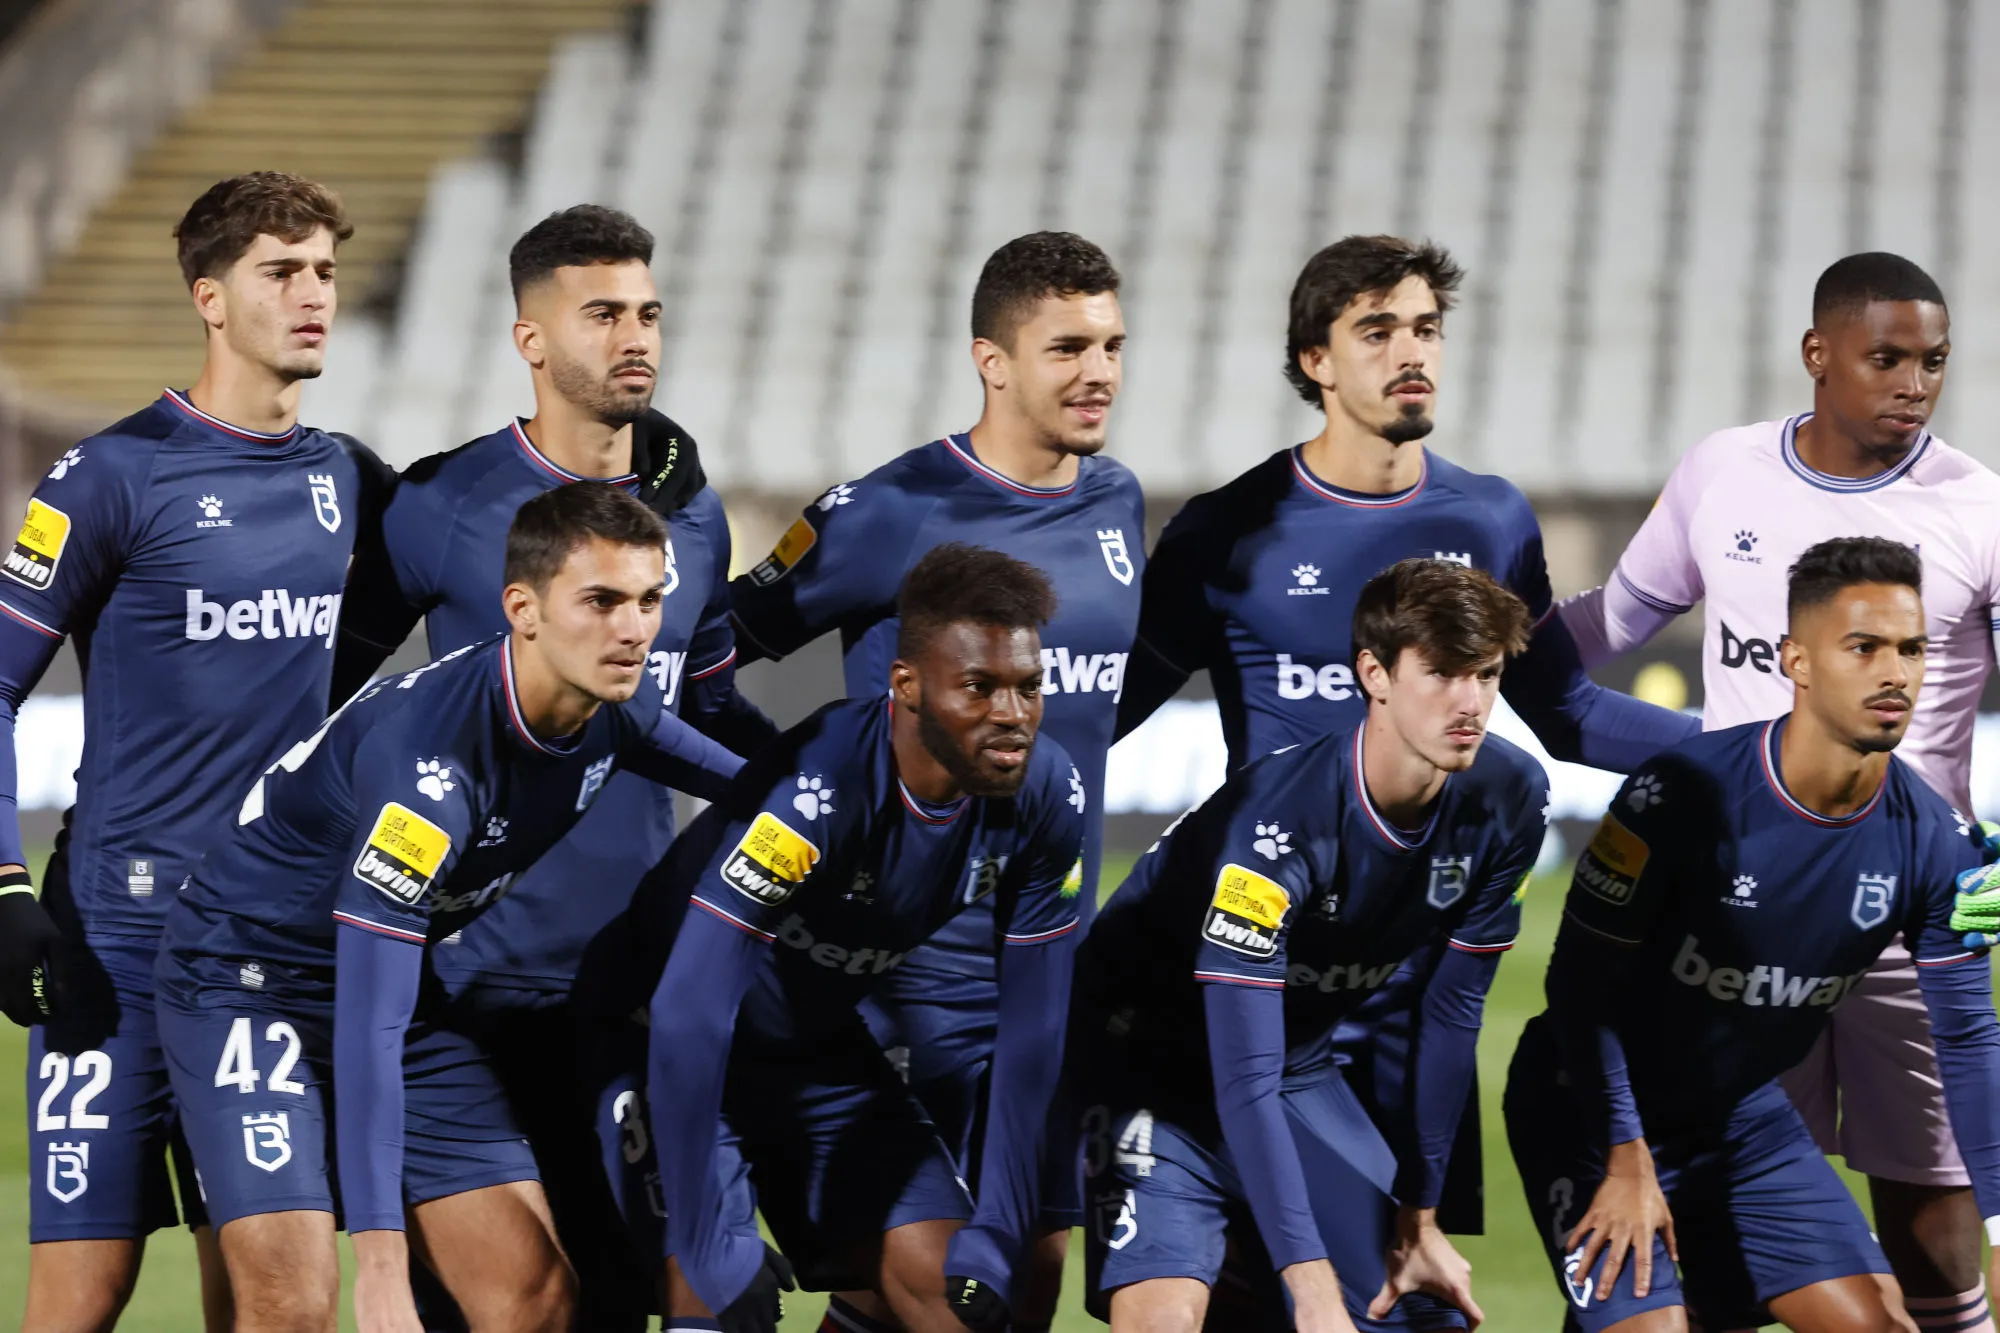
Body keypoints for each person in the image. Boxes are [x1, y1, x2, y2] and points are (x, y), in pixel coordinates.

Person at [1109, 234, 1695, 1245]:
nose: (1408, 351)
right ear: (1315, 361)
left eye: (1422, 327)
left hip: (1409, 983)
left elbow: (1570, 714)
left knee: (1394, 1291)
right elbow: (1110, 709)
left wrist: (1754, 747)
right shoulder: (1226, 530)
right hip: (1267, 967)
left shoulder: (1490, 516)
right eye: (1374, 331)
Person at [153, 483, 743, 1333]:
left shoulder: (617, 712)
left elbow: (764, 791)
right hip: (247, 984)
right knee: (295, 1299)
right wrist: (384, 1268)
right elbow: (367, 1024)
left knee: (533, 1297)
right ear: (523, 609)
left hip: (393, 987)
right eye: (602, 600)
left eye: (651, 600)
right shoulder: (429, 774)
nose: (635, 628)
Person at [332, 203, 773, 1328]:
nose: (635, 337)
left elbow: (710, 702)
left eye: (647, 313)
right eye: (601, 315)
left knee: (673, 1295)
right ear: (531, 341)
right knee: (498, 1307)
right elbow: (331, 696)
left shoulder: (694, 514)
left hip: (626, 985)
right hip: (464, 987)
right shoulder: (441, 508)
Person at [1554, 252, 2000, 1329]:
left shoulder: (1976, 509)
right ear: (1817, 353)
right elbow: (1605, 628)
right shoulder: (1724, 472)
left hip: (1904, 908)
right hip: (1729, 924)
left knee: (1932, 1212)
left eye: (1930, 362)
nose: (1910, 383)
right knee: (1722, 1210)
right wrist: (1472, 645)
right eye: (1884, 357)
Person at [727, 231, 1142, 1328]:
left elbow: (1092, 708)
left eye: (1109, 344)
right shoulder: (886, 511)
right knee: (949, 1299)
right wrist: (776, 783)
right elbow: (713, 649)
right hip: (896, 972)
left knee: (1023, 1288)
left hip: (1042, 962)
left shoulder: (1116, 505)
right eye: (1065, 347)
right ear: (990, 360)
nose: (1097, 370)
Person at [0, 172, 389, 1333]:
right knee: (80, 1296)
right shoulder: (110, 477)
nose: (313, 294)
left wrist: (615, 452)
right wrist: (3, 888)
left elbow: (483, 565)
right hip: (111, 943)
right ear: (209, 296)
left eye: (324, 269)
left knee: (276, 1292)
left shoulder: (349, 480)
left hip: (265, 940)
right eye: (282, 271)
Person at [585, 543, 1086, 1333]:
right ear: (908, 686)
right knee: (715, 1302)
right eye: (980, 687)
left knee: (963, 1305)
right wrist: (706, 1233)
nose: (1012, 715)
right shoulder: (819, 789)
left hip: (813, 1048)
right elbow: (689, 1005)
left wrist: (997, 1223)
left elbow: (1033, 1034)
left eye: (1029, 688)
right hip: (660, 1040)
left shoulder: (1047, 792)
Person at [1508, 536, 2000, 1332]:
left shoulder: (1938, 840)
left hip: (1740, 1119)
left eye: (1912, 649)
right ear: (1796, 661)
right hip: (1588, 1108)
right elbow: (1578, 985)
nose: (1895, 672)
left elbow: (1969, 1033)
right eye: (1864, 647)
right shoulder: (1682, 789)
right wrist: (1627, 1158)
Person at [1073, 558, 1548, 1332]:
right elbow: (1242, 1073)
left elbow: (1454, 1011)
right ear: (1376, 673)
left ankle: (1253, 1276)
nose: (1470, 703)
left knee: (1421, 1315)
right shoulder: (1276, 832)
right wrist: (1310, 1280)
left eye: (1487, 674)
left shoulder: (1509, 796)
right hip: (1145, 1069)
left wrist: (1422, 1213)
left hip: (1297, 1065)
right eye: (1443, 673)